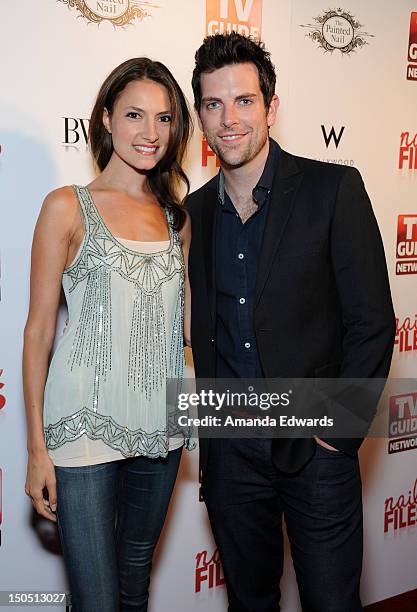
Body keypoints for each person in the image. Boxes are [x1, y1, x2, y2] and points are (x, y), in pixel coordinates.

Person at [187, 33, 395, 611]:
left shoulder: (333, 189)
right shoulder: (194, 214)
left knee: (332, 602)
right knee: (250, 603)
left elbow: (373, 322)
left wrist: (338, 433)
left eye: (244, 101)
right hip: (232, 456)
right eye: (213, 104)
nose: (229, 119)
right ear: (200, 115)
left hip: (316, 450)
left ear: (271, 107)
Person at [23, 57, 193, 612]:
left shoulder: (178, 218)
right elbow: (39, 331)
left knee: (133, 588)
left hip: (160, 429)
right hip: (82, 426)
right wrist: (36, 451)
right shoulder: (66, 206)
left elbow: (185, 327)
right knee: (96, 599)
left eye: (164, 119)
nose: (151, 133)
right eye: (135, 116)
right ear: (105, 119)